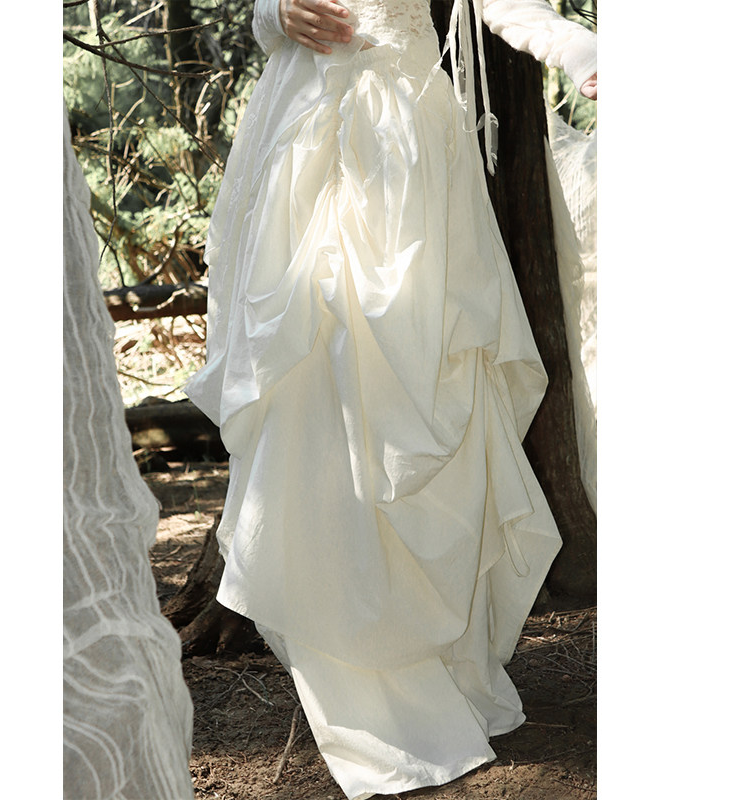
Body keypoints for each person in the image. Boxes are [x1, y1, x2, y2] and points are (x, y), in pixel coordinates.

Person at [184, 1, 596, 798]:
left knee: (434, 393)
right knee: (317, 385)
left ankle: (446, 667)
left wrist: (575, 45)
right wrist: (273, 11)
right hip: (310, 137)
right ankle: (365, 689)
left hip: (409, 144)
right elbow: (268, 17)